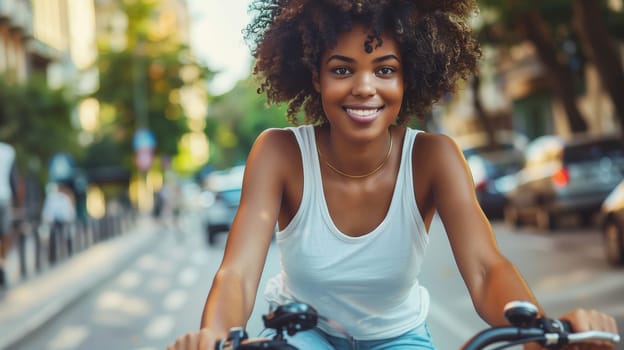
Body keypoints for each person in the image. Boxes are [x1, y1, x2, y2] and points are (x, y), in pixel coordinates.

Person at [169, 1, 619, 349]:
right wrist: (213, 334)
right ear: (316, 76)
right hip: (304, 335)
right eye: (342, 69)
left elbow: (486, 270)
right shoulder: (278, 153)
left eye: (385, 70)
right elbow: (238, 275)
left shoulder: (434, 157)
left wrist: (542, 329)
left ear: (408, 78)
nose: (364, 87)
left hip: (399, 336)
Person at [0, 142, 25, 288]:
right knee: (5, 236)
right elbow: (14, 179)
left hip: (4, 198)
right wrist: (18, 204)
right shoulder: (8, 151)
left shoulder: (8, 151)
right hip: (4, 198)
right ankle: (2, 265)